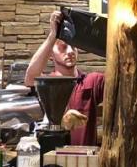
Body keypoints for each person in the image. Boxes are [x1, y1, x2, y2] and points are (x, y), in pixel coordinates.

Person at [25, 10, 105, 146]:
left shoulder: (91, 81)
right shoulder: (48, 84)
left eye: (73, 47)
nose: (70, 51)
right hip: (52, 159)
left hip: (83, 161)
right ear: (51, 54)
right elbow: (30, 78)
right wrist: (52, 36)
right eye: (62, 47)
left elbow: (120, 80)